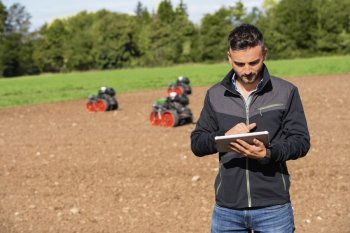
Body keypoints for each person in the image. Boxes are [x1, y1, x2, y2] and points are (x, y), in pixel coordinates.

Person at [191, 24, 310, 233]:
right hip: (227, 210)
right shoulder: (215, 95)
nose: (247, 70)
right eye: (239, 63)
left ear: (264, 53)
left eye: (254, 62)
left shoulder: (286, 92)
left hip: (274, 208)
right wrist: (223, 137)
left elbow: (300, 141)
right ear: (229, 57)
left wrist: (268, 153)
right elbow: (197, 143)